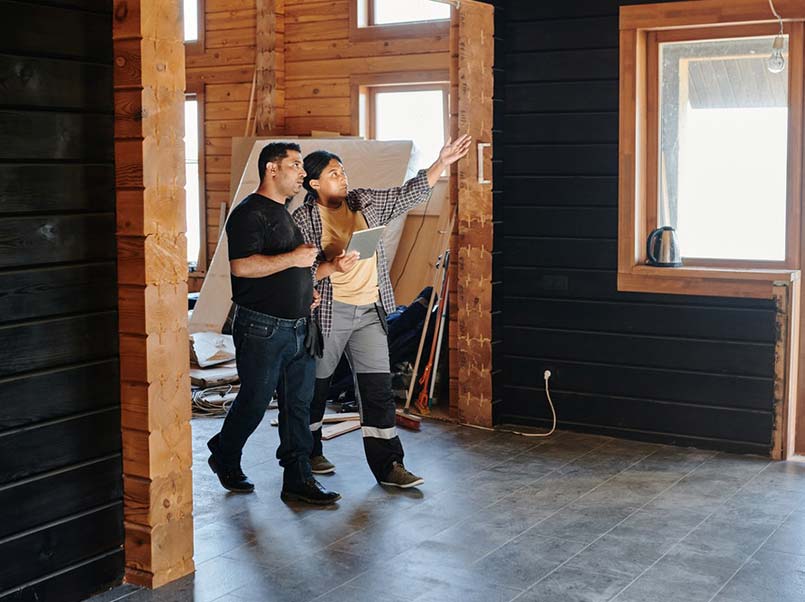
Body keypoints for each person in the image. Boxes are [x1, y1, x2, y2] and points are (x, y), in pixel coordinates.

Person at [292, 135, 472, 488]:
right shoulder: (303, 218)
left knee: (377, 390)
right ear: (314, 184)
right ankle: (308, 451)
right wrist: (331, 265)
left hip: (370, 311)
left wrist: (442, 163)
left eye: (342, 171)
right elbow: (297, 269)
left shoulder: (365, 201)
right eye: (332, 174)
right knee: (316, 387)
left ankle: (390, 466)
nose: (342, 178)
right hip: (330, 313)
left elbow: (409, 193)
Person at [206, 142, 340, 506]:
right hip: (262, 329)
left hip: (299, 326)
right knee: (254, 401)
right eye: (295, 165)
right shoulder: (249, 214)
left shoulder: (285, 213)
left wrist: (306, 292)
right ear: (271, 169)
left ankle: (297, 479)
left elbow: (289, 270)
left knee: (298, 405)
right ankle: (225, 454)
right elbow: (242, 267)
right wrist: (295, 258)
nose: (301, 172)